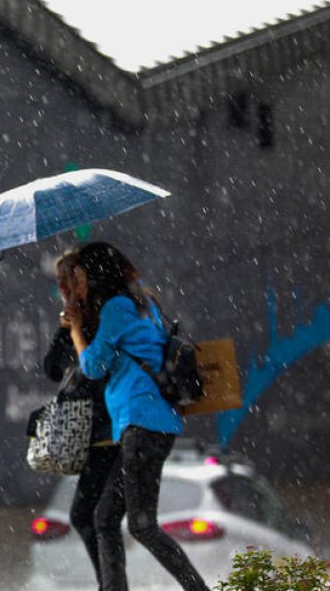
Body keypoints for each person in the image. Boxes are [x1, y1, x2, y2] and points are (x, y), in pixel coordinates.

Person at [67, 242, 209, 591]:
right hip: (155, 422)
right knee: (105, 517)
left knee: (142, 525)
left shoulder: (117, 308)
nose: (80, 286)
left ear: (97, 276)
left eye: (82, 278)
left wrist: (75, 330)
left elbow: (93, 366)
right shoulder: (145, 304)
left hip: (141, 422)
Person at [42, 252, 119, 590]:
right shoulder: (75, 318)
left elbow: (96, 368)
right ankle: (109, 583)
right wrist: (66, 330)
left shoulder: (110, 313)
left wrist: (78, 330)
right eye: (60, 280)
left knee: (99, 517)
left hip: (113, 430)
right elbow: (51, 369)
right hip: (91, 434)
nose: (65, 287)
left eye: (71, 279)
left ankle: (110, 584)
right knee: (88, 517)